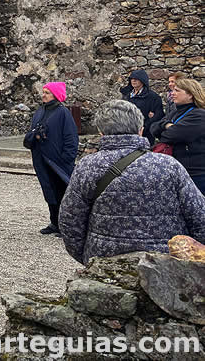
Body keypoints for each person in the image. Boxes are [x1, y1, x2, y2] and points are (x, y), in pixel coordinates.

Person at [59, 100, 205, 265]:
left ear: (101, 132)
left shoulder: (88, 166)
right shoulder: (169, 165)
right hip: (163, 263)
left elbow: (70, 220)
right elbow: (199, 216)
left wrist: (88, 258)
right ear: (140, 130)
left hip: (104, 260)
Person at [26, 82, 79, 236]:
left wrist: (66, 158)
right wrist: (35, 136)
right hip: (41, 159)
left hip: (58, 161)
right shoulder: (40, 111)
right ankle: (54, 222)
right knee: (49, 191)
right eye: (43, 92)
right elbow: (31, 132)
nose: (43, 95)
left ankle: (65, 225)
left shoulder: (63, 113)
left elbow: (71, 138)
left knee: (62, 192)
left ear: (55, 95)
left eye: (47, 92)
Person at [151, 78, 205, 194]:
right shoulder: (175, 112)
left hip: (195, 174)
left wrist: (164, 129)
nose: (172, 93)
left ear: (190, 95)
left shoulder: (199, 115)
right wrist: (167, 125)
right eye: (173, 90)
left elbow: (172, 135)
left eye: (177, 90)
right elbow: (153, 128)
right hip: (177, 171)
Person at [119, 69, 164, 145]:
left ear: (142, 80)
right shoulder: (126, 95)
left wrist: (144, 127)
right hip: (126, 132)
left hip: (145, 134)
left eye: (136, 79)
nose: (133, 81)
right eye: (132, 79)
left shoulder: (153, 97)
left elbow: (158, 115)